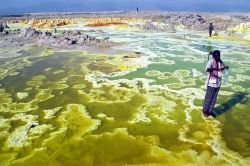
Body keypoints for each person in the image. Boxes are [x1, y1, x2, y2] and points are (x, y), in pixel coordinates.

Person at [203, 50, 229, 117]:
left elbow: (220, 70)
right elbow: (207, 70)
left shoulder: (220, 61)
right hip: (212, 83)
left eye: (219, 55)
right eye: (216, 56)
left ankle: (210, 111)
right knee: (208, 98)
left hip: (218, 83)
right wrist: (215, 69)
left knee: (214, 98)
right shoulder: (211, 61)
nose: (218, 57)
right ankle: (205, 112)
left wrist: (224, 68)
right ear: (214, 56)